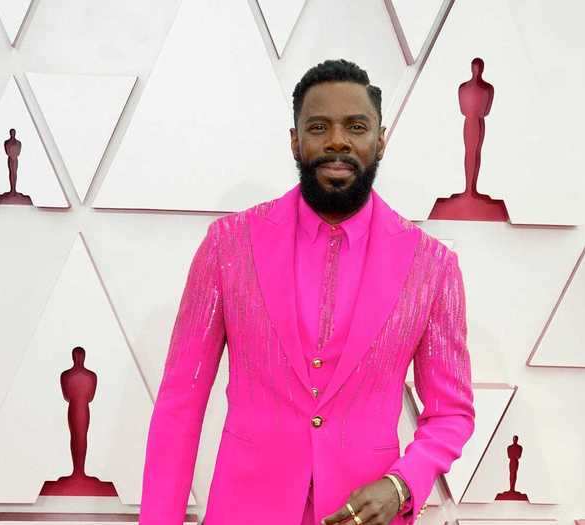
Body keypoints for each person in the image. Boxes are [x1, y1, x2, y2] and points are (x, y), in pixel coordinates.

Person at [138, 58, 476, 525]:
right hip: (245, 510)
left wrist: (402, 485)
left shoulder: (433, 267)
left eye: (356, 126)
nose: (337, 140)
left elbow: (451, 413)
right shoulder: (228, 246)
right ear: (296, 141)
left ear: (380, 140)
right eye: (319, 127)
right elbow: (180, 403)